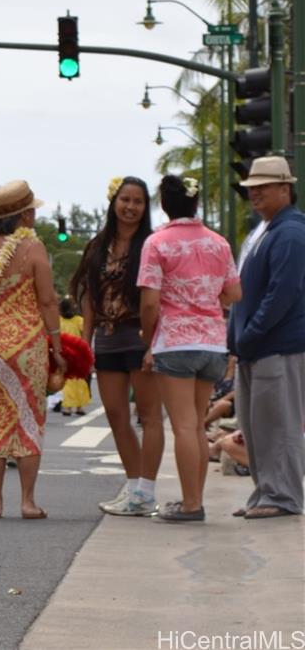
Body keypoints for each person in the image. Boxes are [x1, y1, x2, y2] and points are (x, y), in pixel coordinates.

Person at [137, 173, 242, 523]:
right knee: (196, 425)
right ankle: (193, 500)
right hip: (213, 342)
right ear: (196, 202)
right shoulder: (219, 243)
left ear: (164, 205)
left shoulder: (157, 243)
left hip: (176, 342)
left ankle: (191, 504)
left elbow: (150, 303)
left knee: (182, 426)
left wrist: (148, 338)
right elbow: (233, 294)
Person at [0, 180, 65, 520]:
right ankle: (28, 502)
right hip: (27, 346)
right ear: (25, 215)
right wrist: (58, 345)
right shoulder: (33, 247)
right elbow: (47, 300)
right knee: (28, 420)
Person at [71, 175, 163, 517]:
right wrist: (86, 342)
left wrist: (155, 344)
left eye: (138, 201)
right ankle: (134, 486)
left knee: (150, 416)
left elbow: (159, 299)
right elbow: (91, 300)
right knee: (115, 414)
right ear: (114, 202)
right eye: (125, 199)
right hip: (108, 341)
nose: (130, 207)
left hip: (141, 339)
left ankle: (146, 492)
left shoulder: (153, 245)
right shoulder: (97, 245)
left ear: (145, 207)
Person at [231, 155, 305, 519]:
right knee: (257, 425)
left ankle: (283, 497)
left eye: (262, 187)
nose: (254, 193)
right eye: (251, 188)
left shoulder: (290, 232)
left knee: (278, 423)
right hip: (257, 346)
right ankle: (266, 493)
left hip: (277, 346)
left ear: (284, 189)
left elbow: (283, 292)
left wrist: (253, 331)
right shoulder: (269, 230)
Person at [55, 299, 89, 415]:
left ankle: (69, 407)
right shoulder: (79, 320)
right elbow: (86, 334)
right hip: (75, 354)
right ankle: (78, 407)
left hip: (65, 354)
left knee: (68, 381)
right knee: (78, 380)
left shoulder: (59, 321)